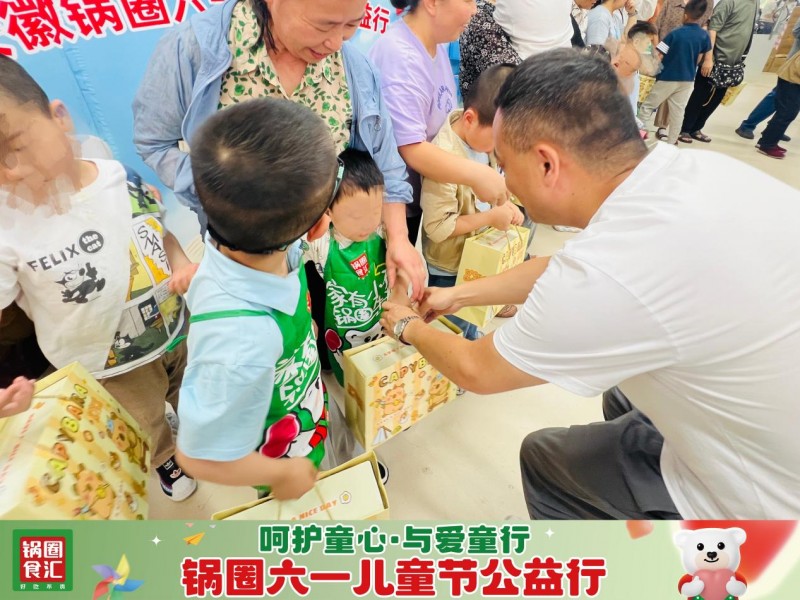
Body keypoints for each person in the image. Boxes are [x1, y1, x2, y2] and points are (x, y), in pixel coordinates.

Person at [381, 49, 800, 520]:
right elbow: (566, 270)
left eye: (504, 164)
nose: (503, 182)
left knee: (545, 458)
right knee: (621, 395)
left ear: (546, 164)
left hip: (766, 506)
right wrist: (458, 294)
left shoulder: (613, 273)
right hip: (772, 421)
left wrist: (407, 327)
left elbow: (477, 370)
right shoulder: (686, 172)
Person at [0, 56, 198, 501]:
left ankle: (192, 426)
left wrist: (182, 264)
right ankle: (165, 457)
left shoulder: (118, 176)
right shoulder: (6, 227)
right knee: (144, 419)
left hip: (173, 327)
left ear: (59, 117)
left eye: (16, 146)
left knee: (187, 385)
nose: (12, 172)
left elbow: (159, 232)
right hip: (110, 364)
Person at [133, 0, 425, 301]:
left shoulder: (354, 68)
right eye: (323, 25)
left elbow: (385, 160)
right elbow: (154, 142)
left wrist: (399, 239)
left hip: (334, 254)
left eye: (352, 25)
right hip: (250, 259)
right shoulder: (194, 48)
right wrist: (225, 194)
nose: (336, 43)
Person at [175, 98, 335, 500]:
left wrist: (304, 330)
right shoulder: (241, 341)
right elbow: (197, 456)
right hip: (281, 454)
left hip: (303, 402)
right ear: (319, 226)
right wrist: (283, 475)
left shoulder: (251, 241)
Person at [368, 0, 509, 247]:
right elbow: (410, 147)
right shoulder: (402, 57)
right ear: (432, 3)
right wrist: (478, 175)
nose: (475, 10)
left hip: (411, 201)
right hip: (385, 211)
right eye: (467, 0)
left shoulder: (435, 46)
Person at [421, 64, 523, 341]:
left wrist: (504, 205)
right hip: (450, 266)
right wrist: (490, 218)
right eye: (495, 141)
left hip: (477, 254)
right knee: (451, 325)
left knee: (472, 314)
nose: (496, 150)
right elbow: (438, 229)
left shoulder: (482, 142)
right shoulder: (443, 158)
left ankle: (470, 336)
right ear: (469, 118)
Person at [302, 148, 389, 386]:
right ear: (328, 210)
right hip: (343, 324)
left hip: (376, 317)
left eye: (376, 211)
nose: (368, 223)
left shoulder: (383, 230)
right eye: (356, 217)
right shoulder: (321, 242)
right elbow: (291, 262)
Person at [680, 0, 758, 144]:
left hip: (731, 64)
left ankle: (696, 128)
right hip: (714, 59)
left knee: (716, 98)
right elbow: (712, 29)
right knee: (700, 95)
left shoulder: (754, 3)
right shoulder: (729, 2)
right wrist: (708, 58)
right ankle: (685, 128)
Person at [638, 0, 712, 144]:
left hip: (668, 77)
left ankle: (637, 138)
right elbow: (701, 57)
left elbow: (659, 54)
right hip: (687, 79)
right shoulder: (704, 36)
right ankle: (671, 144)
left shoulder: (675, 34)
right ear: (701, 15)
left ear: (685, 14)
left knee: (648, 106)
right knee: (678, 112)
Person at [735, 16, 800, 141]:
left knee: (792, 103)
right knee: (776, 97)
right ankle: (747, 125)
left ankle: (775, 130)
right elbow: (797, 31)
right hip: (794, 65)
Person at [756, 49, 800, 158]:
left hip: (791, 78)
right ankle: (767, 145)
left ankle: (766, 141)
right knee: (787, 113)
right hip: (792, 79)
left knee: (786, 112)